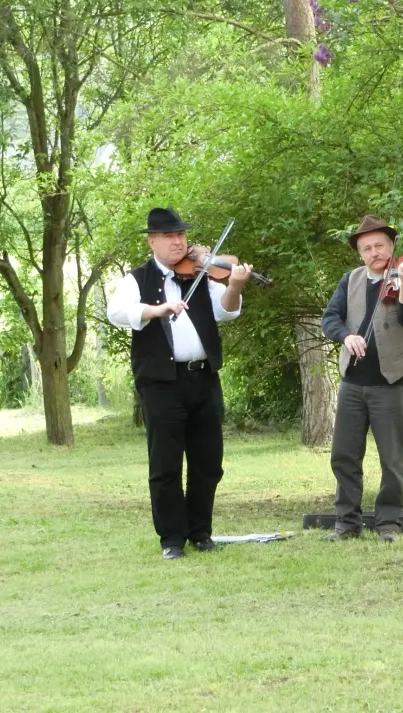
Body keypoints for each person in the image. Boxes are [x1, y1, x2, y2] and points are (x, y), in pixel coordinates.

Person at [107, 207, 253, 560]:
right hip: (161, 384)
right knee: (165, 465)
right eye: (170, 236)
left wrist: (233, 285)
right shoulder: (137, 279)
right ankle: (172, 539)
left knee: (208, 462)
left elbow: (228, 310)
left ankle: (201, 532)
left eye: (182, 235)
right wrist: (156, 310)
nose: (179, 242)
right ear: (152, 240)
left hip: (203, 378)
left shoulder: (200, 274)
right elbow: (116, 313)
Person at [320, 215, 403, 543]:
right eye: (367, 248)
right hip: (353, 383)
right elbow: (330, 318)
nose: (374, 253)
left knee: (391, 460)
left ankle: (388, 524)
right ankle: (347, 523)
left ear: (392, 246)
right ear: (360, 253)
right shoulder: (349, 280)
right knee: (344, 455)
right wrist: (346, 336)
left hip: (390, 383)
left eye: (380, 245)